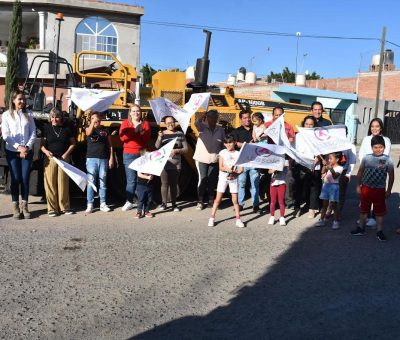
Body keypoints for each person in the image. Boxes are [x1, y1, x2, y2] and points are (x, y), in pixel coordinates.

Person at [351, 135, 394, 241]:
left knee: (379, 211)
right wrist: (358, 185)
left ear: (384, 147)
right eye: (375, 147)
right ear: (371, 147)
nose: (378, 149)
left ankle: (379, 231)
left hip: (379, 190)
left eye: (381, 147)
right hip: (366, 189)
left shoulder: (388, 160)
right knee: (363, 210)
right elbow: (360, 172)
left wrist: (388, 190)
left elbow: (392, 176)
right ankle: (361, 228)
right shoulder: (366, 158)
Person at [2, 90, 36, 219]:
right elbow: (6, 135)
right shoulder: (6, 115)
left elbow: (33, 133)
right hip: (12, 151)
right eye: (19, 99)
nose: (22, 101)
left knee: (25, 178)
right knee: (16, 179)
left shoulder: (29, 115)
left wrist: (26, 147)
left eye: (23, 99)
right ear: (13, 100)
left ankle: (25, 206)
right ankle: (15, 206)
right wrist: (18, 147)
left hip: (27, 151)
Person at [41, 108, 76, 217]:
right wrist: (46, 152)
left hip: (63, 159)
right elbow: (42, 145)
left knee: (63, 183)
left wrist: (67, 154)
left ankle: (64, 207)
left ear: (61, 118)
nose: (54, 119)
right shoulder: (46, 128)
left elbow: (73, 143)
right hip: (50, 159)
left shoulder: (66, 129)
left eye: (57, 117)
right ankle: (52, 209)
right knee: (50, 183)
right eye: (52, 117)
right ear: (50, 118)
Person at [358, 118, 391, 227]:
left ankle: (374, 217)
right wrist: (366, 163)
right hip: (367, 169)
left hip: (379, 171)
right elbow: (361, 154)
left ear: (381, 127)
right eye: (372, 126)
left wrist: (375, 164)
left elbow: (384, 155)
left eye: (377, 126)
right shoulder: (366, 139)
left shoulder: (386, 140)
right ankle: (364, 217)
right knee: (365, 195)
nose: (374, 128)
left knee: (377, 198)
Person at [208, 135, 244, 228]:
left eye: (230, 142)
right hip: (223, 178)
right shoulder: (222, 152)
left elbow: (241, 169)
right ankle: (212, 218)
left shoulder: (238, 153)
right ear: (224, 144)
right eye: (226, 143)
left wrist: (235, 173)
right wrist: (228, 170)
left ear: (235, 142)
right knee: (218, 199)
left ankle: (238, 219)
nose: (229, 144)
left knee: (235, 200)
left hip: (233, 179)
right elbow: (221, 167)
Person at [119, 104, 151, 211]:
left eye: (138, 111)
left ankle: (144, 202)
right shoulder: (125, 123)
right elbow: (123, 138)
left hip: (142, 152)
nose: (136, 113)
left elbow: (146, 139)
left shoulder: (145, 123)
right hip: (129, 153)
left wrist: (141, 131)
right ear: (130, 113)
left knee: (142, 179)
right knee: (131, 180)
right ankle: (129, 201)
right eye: (133, 111)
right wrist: (135, 130)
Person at [193, 110, 225, 210]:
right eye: (211, 117)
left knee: (212, 180)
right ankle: (200, 201)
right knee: (203, 179)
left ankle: (211, 200)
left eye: (215, 117)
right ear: (207, 118)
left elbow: (223, 143)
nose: (213, 119)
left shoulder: (220, 130)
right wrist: (203, 114)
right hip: (201, 158)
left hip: (214, 159)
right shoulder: (202, 126)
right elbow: (196, 123)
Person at [155, 116, 188, 212]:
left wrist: (177, 150)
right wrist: (159, 137)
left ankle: (174, 204)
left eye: (172, 122)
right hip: (164, 164)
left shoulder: (180, 134)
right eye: (168, 122)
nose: (170, 124)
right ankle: (164, 204)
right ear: (165, 124)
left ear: (175, 122)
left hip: (176, 164)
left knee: (174, 184)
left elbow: (186, 149)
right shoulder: (162, 133)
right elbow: (157, 147)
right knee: (164, 184)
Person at [232, 110, 261, 212]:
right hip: (242, 162)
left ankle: (255, 205)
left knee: (255, 184)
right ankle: (240, 204)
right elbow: (234, 143)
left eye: (248, 117)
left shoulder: (257, 129)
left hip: (254, 162)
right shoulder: (237, 131)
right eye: (244, 118)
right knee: (241, 183)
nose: (247, 119)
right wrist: (247, 145)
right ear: (240, 119)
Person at [85, 112, 114, 213]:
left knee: (102, 182)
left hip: (103, 159)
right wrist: (92, 123)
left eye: (97, 118)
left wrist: (111, 158)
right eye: (93, 118)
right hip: (91, 159)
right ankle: (90, 204)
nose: (95, 120)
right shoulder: (88, 128)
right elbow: (88, 133)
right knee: (91, 182)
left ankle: (103, 203)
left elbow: (110, 145)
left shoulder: (105, 130)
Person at [315, 152, 343, 229]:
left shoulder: (340, 168)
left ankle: (336, 221)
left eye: (331, 158)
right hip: (326, 186)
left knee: (334, 206)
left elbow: (335, 176)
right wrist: (324, 165)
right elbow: (322, 172)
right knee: (324, 205)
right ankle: (322, 220)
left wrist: (330, 168)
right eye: (328, 158)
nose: (329, 160)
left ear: (337, 159)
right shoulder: (328, 166)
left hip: (334, 187)